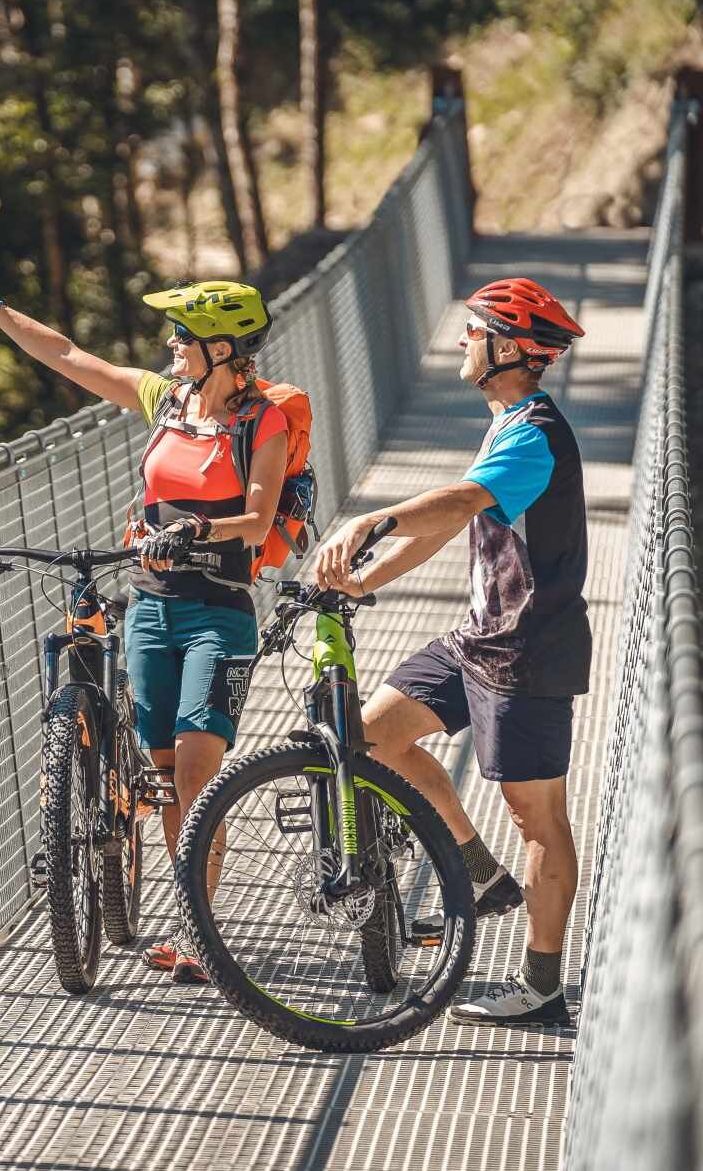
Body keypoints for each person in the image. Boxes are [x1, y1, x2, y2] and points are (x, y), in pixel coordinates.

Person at [0, 269, 286, 984]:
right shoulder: (165, 399)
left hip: (218, 609)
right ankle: (184, 909)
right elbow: (65, 356)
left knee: (194, 769)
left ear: (223, 346)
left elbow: (261, 517)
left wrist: (195, 528)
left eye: (183, 335)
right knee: (162, 777)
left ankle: (197, 935)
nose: (171, 343)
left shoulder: (259, 421)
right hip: (149, 604)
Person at [306, 276, 589, 1028]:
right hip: (476, 638)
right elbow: (447, 524)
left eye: (473, 331)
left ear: (506, 347)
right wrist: (361, 583)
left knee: (537, 817)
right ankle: (475, 867)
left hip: (526, 653)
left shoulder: (534, 434)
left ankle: (540, 986)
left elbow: (458, 503)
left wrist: (373, 517)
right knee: (371, 736)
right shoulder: (506, 422)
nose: (461, 341)